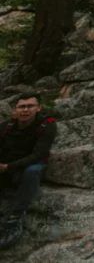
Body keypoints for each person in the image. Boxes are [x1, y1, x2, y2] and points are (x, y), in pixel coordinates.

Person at [0, 92, 56, 249]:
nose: (25, 110)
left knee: (31, 171)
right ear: (14, 110)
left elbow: (39, 154)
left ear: (38, 108)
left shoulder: (47, 125)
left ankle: (14, 218)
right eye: (21, 107)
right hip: (7, 168)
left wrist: (8, 167)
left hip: (29, 168)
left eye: (30, 106)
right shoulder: (6, 127)